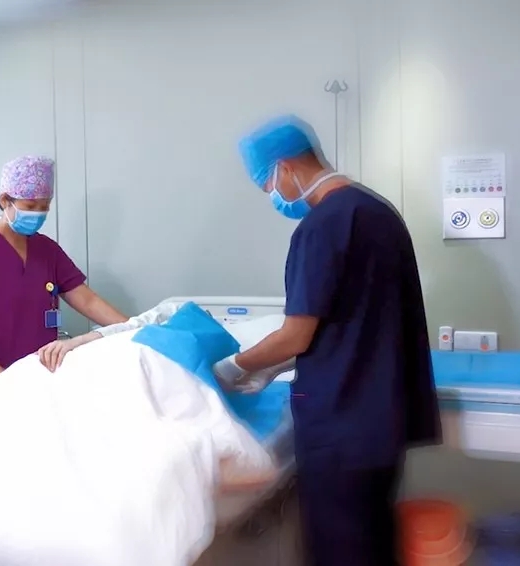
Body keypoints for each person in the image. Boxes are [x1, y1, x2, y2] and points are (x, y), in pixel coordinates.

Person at [212, 115, 441, 566]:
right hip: (382, 424)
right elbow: (355, 319)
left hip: (341, 429)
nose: (274, 196)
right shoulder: (379, 212)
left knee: (341, 550)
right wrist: (276, 365)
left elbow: (296, 334)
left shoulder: (320, 228)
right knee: (374, 545)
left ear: (285, 168)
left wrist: (235, 365)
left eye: (268, 185)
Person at [0, 155, 128, 394]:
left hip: (35, 378)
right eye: (30, 206)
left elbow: (87, 300)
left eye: (44, 206)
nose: (38, 214)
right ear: (5, 201)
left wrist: (135, 327)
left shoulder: (48, 251)